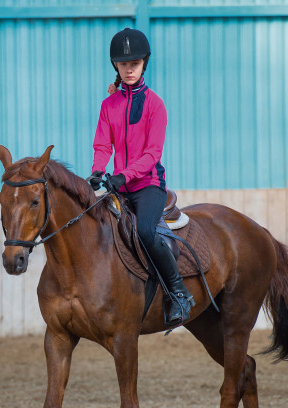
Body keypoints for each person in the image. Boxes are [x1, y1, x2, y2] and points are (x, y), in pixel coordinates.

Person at [88, 28, 195, 325]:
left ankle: (179, 293)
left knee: (146, 231)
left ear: (144, 64)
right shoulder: (108, 105)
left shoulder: (155, 104)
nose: (129, 69)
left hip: (148, 185)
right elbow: (102, 144)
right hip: (118, 185)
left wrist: (122, 175)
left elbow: (152, 154)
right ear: (116, 67)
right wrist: (98, 169)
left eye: (134, 64)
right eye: (124, 65)